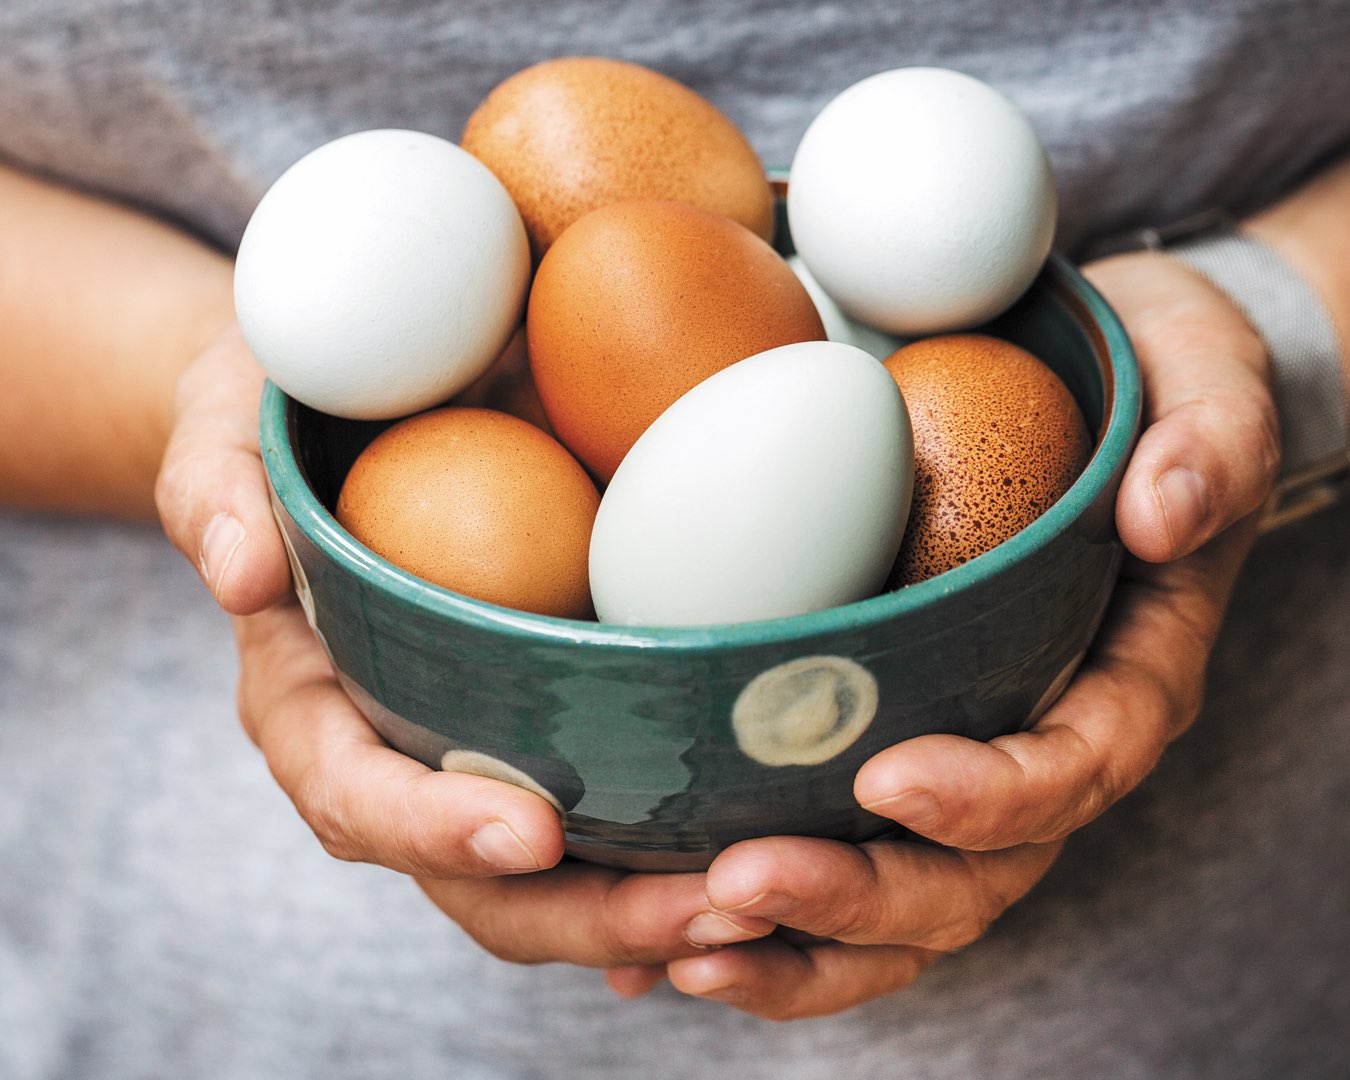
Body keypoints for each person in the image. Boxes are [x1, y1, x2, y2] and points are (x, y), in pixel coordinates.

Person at [1, 1, 1347, 1076]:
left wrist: (1268, 332)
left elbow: (783, 374)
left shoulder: (824, 352)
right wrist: (192, 381)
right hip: (198, 993)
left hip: (1226, 953)